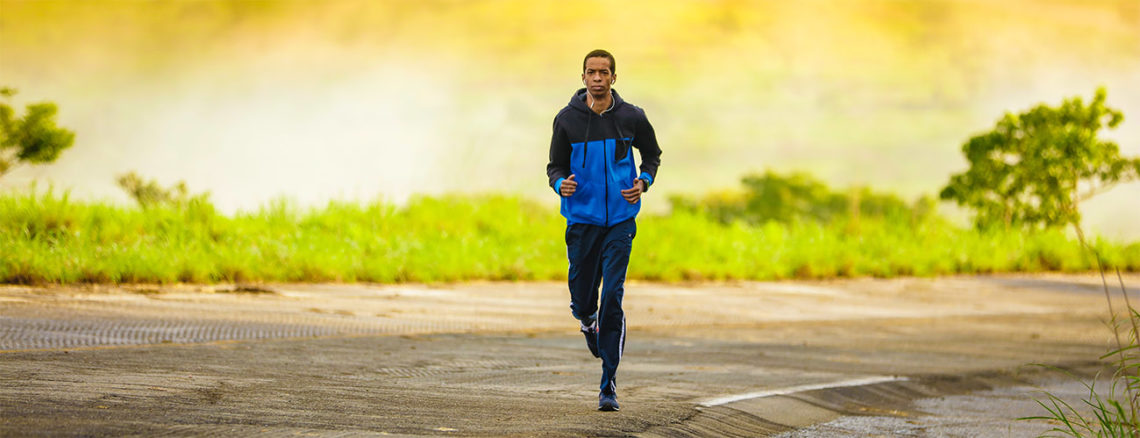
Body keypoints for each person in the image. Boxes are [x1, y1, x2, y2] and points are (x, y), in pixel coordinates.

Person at [546, 49, 662, 412]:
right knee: (584, 299)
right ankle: (587, 320)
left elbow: (653, 156)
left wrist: (643, 182)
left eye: (604, 73)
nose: (597, 78)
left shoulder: (632, 117)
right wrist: (559, 183)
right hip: (582, 221)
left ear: (614, 77)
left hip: (620, 222)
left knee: (613, 293)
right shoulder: (566, 120)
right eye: (591, 72)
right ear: (583, 77)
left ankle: (608, 382)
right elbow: (554, 166)